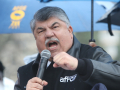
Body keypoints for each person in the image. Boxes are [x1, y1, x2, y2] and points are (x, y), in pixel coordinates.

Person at [14, 6, 120, 90]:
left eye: (55, 27)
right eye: (41, 31)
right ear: (35, 38)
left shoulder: (92, 55)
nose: (49, 34)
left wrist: (80, 65)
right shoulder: (25, 72)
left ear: (69, 30)